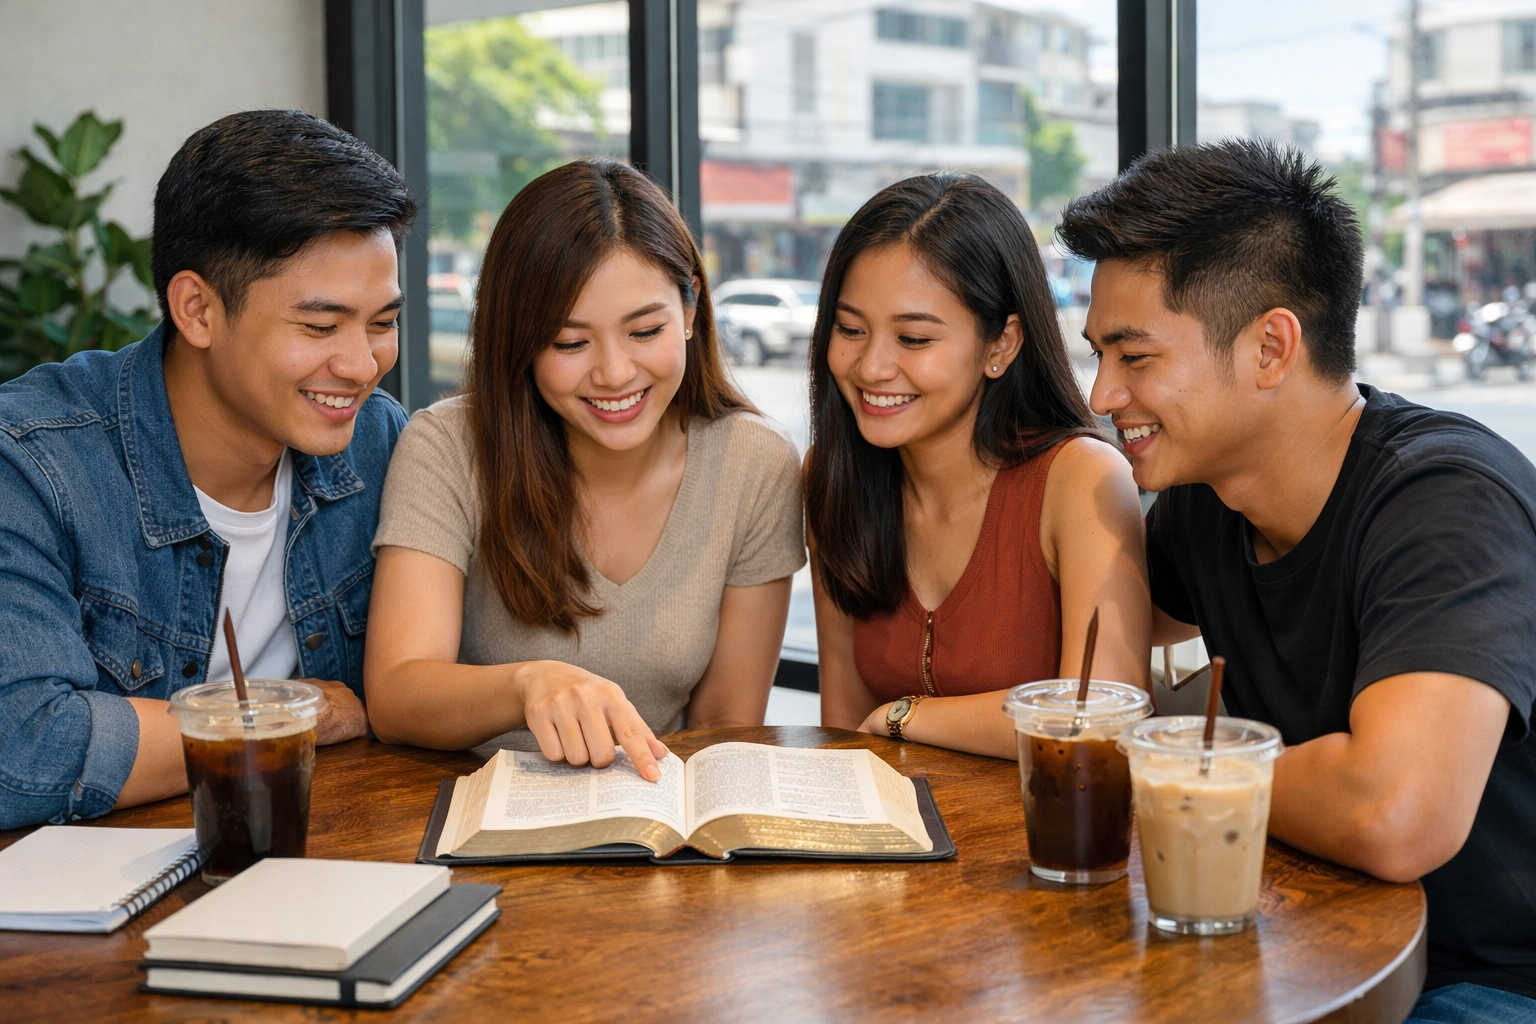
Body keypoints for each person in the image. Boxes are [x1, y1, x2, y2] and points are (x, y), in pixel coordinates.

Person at [1061, 140, 1536, 1022]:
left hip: (1492, 978)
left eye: (1134, 357)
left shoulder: (1445, 499)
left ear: (1271, 346)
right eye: (1098, 355)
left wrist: (1166, 760)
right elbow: (1093, 664)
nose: (1100, 394)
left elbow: (1396, 813)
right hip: (1315, 934)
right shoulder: (1206, 503)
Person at [0, 110, 415, 829]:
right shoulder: (34, 461)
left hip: (327, 856)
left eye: (381, 323)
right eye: (320, 327)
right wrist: (303, 713)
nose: (360, 366)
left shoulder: (378, 441)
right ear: (196, 309)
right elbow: (25, 750)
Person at [364, 160, 804, 781]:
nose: (615, 373)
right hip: (474, 813)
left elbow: (724, 731)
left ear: (690, 310)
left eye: (644, 330)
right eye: (570, 344)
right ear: (518, 342)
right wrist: (527, 686)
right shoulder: (447, 446)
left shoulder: (754, 463)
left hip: (656, 817)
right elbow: (397, 696)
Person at [807, 173, 1150, 758]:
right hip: (894, 840)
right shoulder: (832, 474)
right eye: (850, 329)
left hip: (1049, 839)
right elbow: (842, 730)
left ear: (1001, 345)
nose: (870, 367)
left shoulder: (1081, 478)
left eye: (913, 339)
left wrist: (903, 714)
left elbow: (1097, 721)